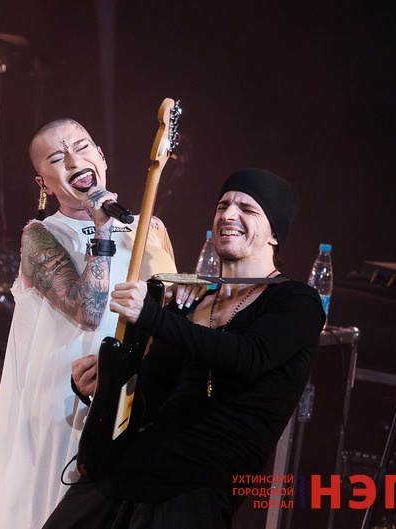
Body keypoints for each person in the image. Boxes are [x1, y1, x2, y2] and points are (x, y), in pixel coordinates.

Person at [41, 168, 327, 529]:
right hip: (132, 468)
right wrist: (102, 385)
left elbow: (247, 358)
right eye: (222, 205)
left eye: (247, 209)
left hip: (199, 484)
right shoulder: (190, 301)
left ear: (274, 234)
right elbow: (149, 397)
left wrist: (152, 317)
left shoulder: (296, 301)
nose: (228, 215)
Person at [0, 118, 181, 529]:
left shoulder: (149, 229)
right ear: (44, 183)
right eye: (57, 158)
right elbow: (87, 311)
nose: (73, 161)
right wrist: (102, 232)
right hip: (62, 405)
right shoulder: (40, 236)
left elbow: (172, 316)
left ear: (100, 157)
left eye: (82, 147)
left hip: (125, 401)